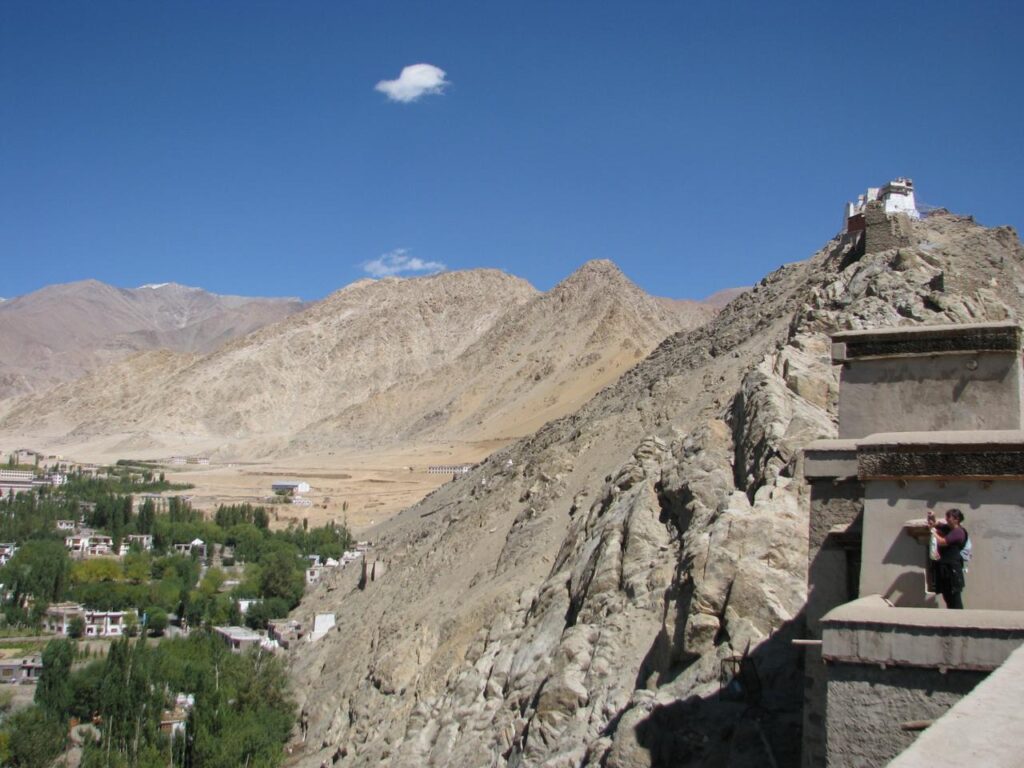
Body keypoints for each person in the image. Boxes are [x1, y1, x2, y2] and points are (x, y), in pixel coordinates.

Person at [927, 508, 967, 609]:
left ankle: (959, 621)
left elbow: (942, 541)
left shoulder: (958, 532)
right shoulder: (949, 528)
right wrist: (932, 517)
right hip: (945, 568)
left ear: (956, 519)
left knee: (954, 599)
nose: (946, 519)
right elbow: (936, 524)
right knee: (948, 597)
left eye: (949, 517)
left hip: (952, 570)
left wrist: (932, 531)